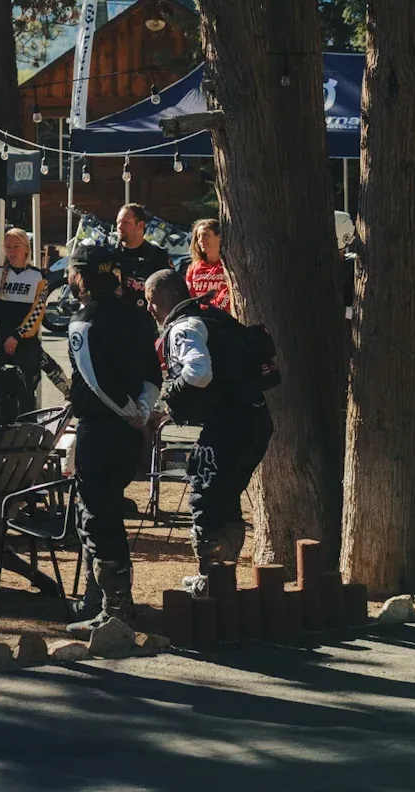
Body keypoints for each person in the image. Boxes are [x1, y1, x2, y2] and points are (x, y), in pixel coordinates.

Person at [145, 269, 273, 597]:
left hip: (230, 426)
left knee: (204, 493)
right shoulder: (212, 318)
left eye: (150, 301)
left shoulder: (183, 327)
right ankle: (221, 580)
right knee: (224, 497)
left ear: (165, 298)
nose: (149, 310)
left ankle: (209, 581)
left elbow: (199, 371)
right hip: (255, 422)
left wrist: (170, 395)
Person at [63, 242, 163, 634]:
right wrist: (141, 408)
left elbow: (95, 379)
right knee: (107, 515)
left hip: (103, 427)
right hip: (128, 430)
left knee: (97, 518)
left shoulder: (82, 321)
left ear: (83, 278)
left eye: (74, 273)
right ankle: (103, 600)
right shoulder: (137, 317)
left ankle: (114, 608)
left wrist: (130, 412)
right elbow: (153, 371)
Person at [114, 203, 172, 311]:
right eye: (118, 222)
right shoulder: (109, 254)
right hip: (115, 320)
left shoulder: (158, 256)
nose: (119, 227)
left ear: (140, 225)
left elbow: (170, 292)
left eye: (126, 223)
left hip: (146, 321)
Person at [184, 219, 230, 311]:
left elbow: (227, 296)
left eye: (206, 235)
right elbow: (189, 296)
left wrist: (208, 311)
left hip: (223, 319)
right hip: (199, 318)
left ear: (219, 236)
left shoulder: (229, 267)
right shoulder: (194, 268)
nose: (201, 240)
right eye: (198, 236)